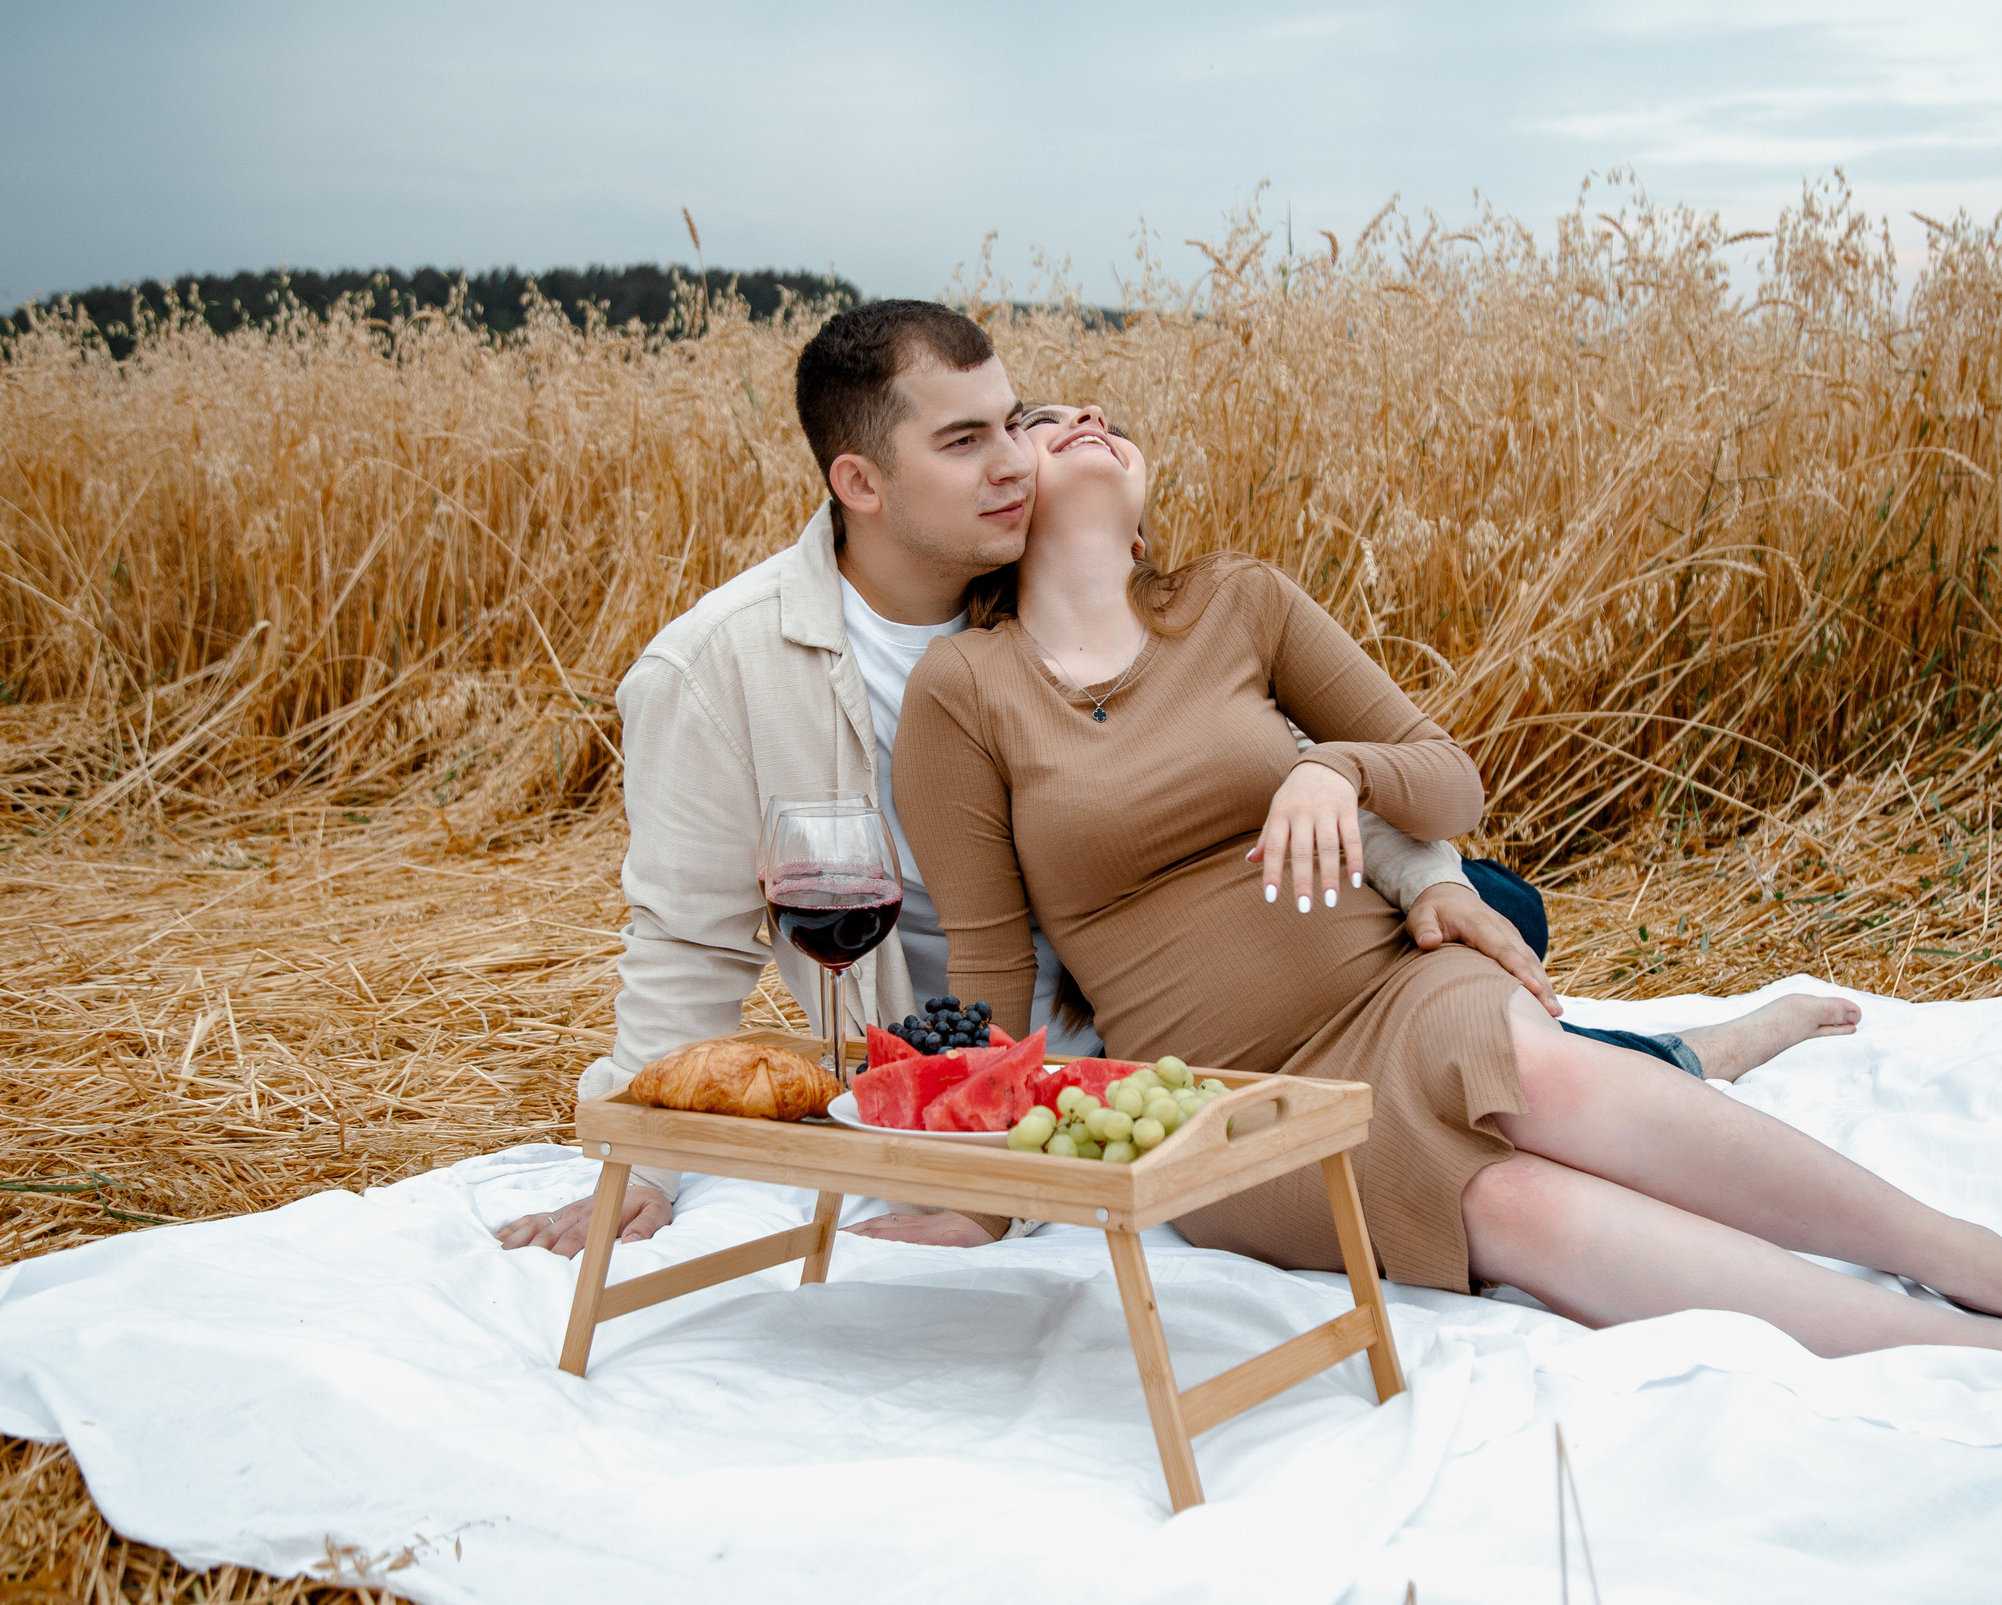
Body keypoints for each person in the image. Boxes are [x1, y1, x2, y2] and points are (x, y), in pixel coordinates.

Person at [889, 398, 2002, 1389]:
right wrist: (972, 1187)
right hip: (1232, 1097)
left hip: (1392, 987)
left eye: (1107, 418)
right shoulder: (967, 692)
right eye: (1040, 422)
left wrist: (1331, 775)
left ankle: (1991, 1263)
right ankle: (1988, 1353)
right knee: (1507, 1206)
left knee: (1542, 1067)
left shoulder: (1239, 603)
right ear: (1004, 499)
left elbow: (1448, 781)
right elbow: (992, 975)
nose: (1087, 424)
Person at [498, 301, 1718, 1256]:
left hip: (1212, 941)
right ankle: (1639, 1067)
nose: (1013, 466)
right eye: (963, 441)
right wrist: (640, 1171)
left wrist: (1420, 874)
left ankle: (1644, 1064)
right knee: (1474, 1049)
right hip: (1038, 1016)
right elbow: (687, 945)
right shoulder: (716, 671)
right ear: (859, 483)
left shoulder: (1047, 575)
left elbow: (1245, 764)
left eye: (1009, 424)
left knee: (1496, 909)